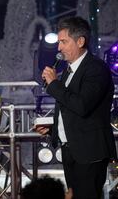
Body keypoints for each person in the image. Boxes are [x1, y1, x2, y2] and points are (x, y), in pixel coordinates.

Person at [39, 16, 117, 199]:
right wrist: (52, 130)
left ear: (80, 41)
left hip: (90, 151)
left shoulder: (96, 69)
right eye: (59, 42)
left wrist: (54, 84)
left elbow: (82, 105)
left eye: (64, 42)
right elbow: (69, 109)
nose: (59, 48)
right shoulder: (68, 70)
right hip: (71, 151)